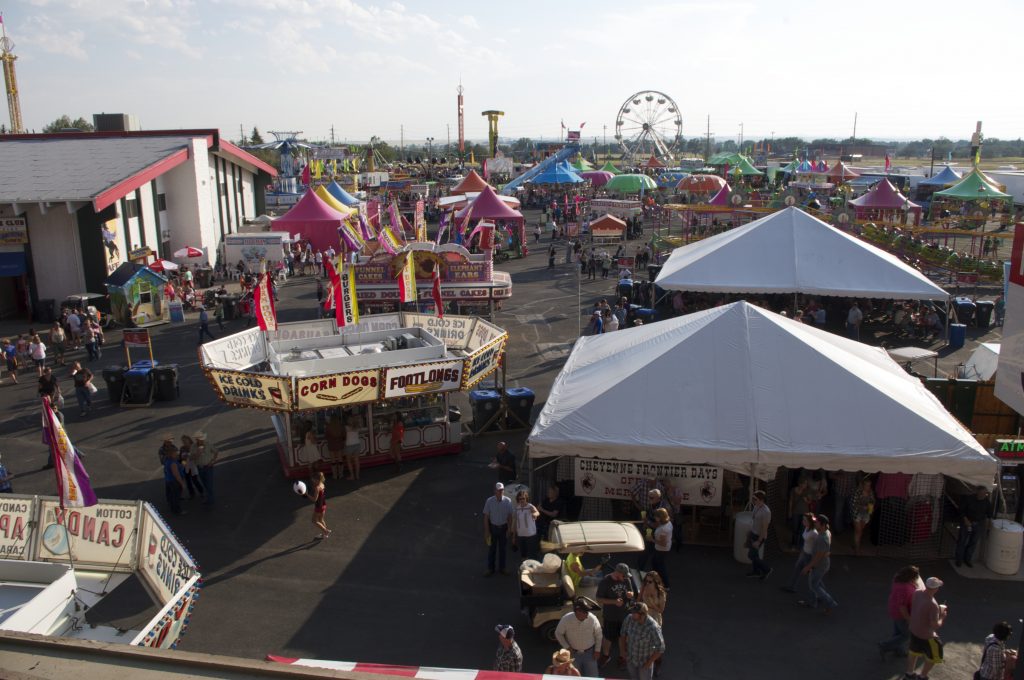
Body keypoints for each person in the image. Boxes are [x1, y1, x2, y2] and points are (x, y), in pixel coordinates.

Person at [906, 577, 948, 680]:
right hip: (926, 635)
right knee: (934, 656)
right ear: (935, 589)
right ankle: (922, 676)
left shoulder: (917, 592)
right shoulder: (932, 605)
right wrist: (942, 617)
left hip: (914, 629)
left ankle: (909, 673)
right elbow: (935, 625)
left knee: (913, 651)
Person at [878, 565, 923, 660]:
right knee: (906, 635)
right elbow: (902, 606)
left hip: (893, 608)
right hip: (901, 614)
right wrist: (909, 619)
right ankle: (884, 646)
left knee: (898, 631)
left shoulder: (897, 578)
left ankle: (898, 650)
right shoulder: (906, 588)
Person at [596, 563, 636, 667]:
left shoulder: (626, 579)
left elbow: (631, 592)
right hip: (610, 616)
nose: (625, 578)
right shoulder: (605, 582)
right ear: (617, 573)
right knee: (607, 637)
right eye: (624, 576)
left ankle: (622, 657)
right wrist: (614, 602)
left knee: (623, 637)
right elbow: (599, 599)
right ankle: (606, 655)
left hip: (624, 615)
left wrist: (630, 594)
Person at [799, 514, 837, 614]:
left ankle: (829, 603)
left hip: (819, 566)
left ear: (823, 524)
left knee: (813, 585)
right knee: (817, 583)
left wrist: (808, 567)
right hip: (822, 565)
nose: (815, 523)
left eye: (817, 522)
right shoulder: (826, 532)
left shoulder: (821, 539)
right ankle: (817, 600)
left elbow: (818, 557)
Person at [555, 599, 603, 678]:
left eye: (587, 612)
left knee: (593, 676)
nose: (587, 615)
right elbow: (558, 633)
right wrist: (567, 647)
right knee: (573, 677)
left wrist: (597, 650)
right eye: (585, 612)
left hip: (590, 653)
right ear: (577, 611)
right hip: (573, 654)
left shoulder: (592, 618)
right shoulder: (566, 619)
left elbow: (599, 634)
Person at [620, 602, 665, 680]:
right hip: (631, 659)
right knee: (633, 678)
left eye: (634, 613)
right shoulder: (629, 619)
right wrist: (623, 650)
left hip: (644, 662)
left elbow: (661, 648)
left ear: (642, 614)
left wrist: (649, 663)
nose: (632, 614)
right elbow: (623, 634)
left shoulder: (653, 627)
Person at [956, 485, 993, 567]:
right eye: (981, 493)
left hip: (978, 524)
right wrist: (966, 520)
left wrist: (988, 526)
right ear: (977, 492)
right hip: (967, 522)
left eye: (984, 494)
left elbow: (989, 515)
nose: (982, 495)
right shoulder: (969, 499)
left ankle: (967, 559)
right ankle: (959, 559)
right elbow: (961, 511)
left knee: (973, 542)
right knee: (962, 541)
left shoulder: (987, 502)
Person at [782, 512, 818, 595]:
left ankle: (819, 592)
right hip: (804, 553)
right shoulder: (806, 528)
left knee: (812, 576)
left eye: (805, 520)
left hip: (809, 556)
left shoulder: (814, 533)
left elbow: (817, 546)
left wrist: (814, 559)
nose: (803, 521)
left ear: (809, 521)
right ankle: (791, 587)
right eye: (803, 519)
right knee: (797, 569)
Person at [483, 482, 513, 576]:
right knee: (492, 549)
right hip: (493, 528)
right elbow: (486, 517)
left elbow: (510, 516)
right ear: (494, 491)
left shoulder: (508, 501)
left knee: (503, 549)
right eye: (498, 490)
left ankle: (502, 568)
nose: (500, 492)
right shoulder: (489, 501)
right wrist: (487, 531)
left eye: (502, 490)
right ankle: (490, 568)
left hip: (503, 528)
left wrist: (509, 529)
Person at [746, 490, 772, 580]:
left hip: (759, 536)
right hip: (754, 533)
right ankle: (756, 571)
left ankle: (767, 569)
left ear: (761, 500)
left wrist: (759, 541)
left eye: (755, 499)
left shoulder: (766, 512)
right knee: (754, 555)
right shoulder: (756, 506)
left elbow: (764, 528)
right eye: (753, 499)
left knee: (751, 555)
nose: (753, 501)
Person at [511, 489, 540, 560]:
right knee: (523, 556)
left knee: (533, 555)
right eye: (520, 498)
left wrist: (534, 514)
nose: (521, 500)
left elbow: (537, 512)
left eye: (523, 498)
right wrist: (514, 537)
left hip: (531, 535)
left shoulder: (530, 506)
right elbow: (515, 522)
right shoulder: (517, 509)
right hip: (521, 535)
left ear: (526, 498)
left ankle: (534, 569)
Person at [851, 476, 876, 554]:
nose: (868, 487)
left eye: (869, 485)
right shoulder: (858, 492)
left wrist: (870, 509)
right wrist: (864, 506)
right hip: (857, 513)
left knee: (860, 531)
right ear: (863, 485)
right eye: (866, 485)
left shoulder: (871, 492)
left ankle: (856, 545)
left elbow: (872, 502)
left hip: (866, 514)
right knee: (858, 531)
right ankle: (857, 550)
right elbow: (853, 504)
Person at [192, 432, 219, 506]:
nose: (201, 440)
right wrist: (198, 453)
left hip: (208, 467)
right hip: (200, 468)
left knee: (209, 485)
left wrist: (213, 461)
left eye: (202, 439)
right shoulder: (193, 446)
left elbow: (216, 452)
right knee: (205, 484)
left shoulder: (208, 444)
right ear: (196, 439)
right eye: (199, 439)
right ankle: (209, 498)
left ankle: (210, 501)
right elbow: (192, 458)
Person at [649, 508, 673, 588]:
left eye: (656, 516)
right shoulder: (667, 523)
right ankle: (656, 579)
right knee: (655, 563)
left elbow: (663, 543)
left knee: (660, 566)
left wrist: (652, 540)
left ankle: (666, 585)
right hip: (661, 549)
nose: (655, 518)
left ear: (660, 517)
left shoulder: (664, 529)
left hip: (661, 549)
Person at [306, 471, 331, 539]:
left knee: (314, 520)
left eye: (313, 479)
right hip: (323, 505)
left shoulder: (317, 488)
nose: (312, 480)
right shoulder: (322, 484)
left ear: (316, 479)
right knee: (321, 519)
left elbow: (314, 499)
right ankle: (325, 534)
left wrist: (307, 494)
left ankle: (325, 531)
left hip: (318, 507)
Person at [163, 445, 186, 516]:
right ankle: (177, 510)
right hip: (174, 482)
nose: (177, 453)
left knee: (172, 496)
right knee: (176, 496)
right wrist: (182, 483)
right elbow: (176, 474)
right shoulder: (173, 463)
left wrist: (184, 461)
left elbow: (181, 465)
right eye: (175, 452)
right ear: (172, 453)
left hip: (169, 481)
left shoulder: (168, 461)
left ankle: (173, 508)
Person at [324, 413, 345, 480]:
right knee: (340, 459)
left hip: (331, 444)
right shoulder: (341, 426)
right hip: (339, 443)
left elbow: (326, 436)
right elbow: (344, 435)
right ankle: (341, 474)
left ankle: (335, 475)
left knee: (333, 460)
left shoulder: (328, 426)